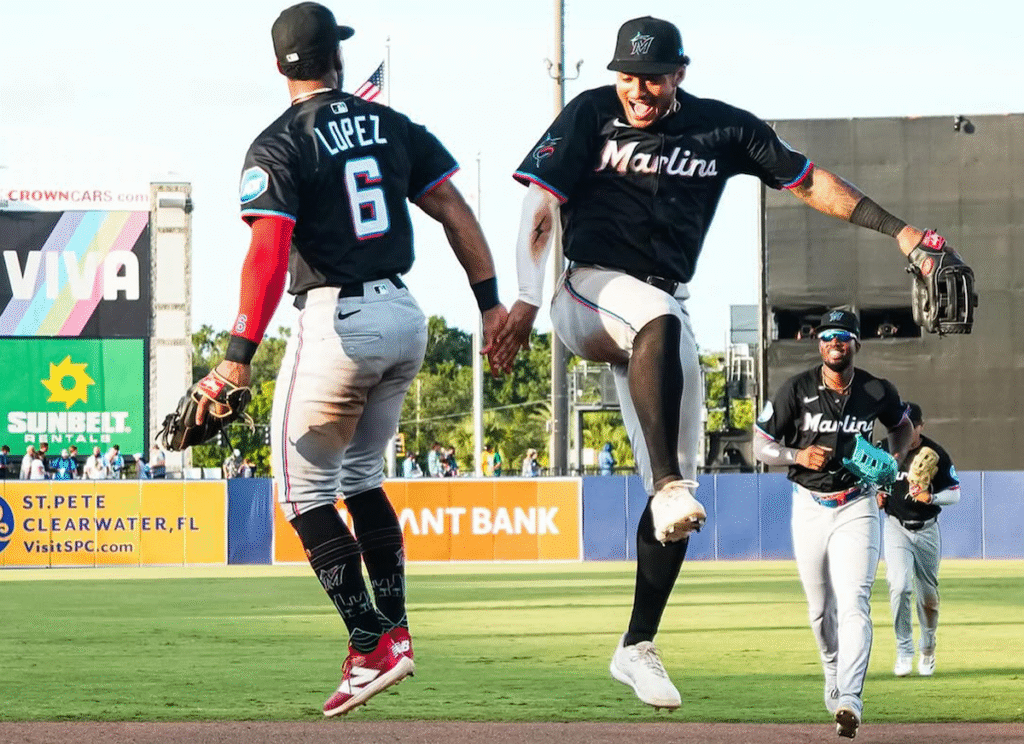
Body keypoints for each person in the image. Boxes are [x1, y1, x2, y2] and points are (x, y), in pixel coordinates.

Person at [490, 14, 952, 715]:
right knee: (658, 326)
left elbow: (808, 180)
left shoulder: (721, 128)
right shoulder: (591, 113)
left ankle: (637, 644)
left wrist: (900, 232)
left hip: (661, 309)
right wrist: (523, 299)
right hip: (589, 290)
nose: (637, 90)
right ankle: (668, 483)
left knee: (677, 507)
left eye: (651, 75)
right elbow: (539, 200)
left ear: (679, 72)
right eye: (626, 75)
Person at [191, 1, 508, 717]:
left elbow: (269, 254)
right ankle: (394, 633)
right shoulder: (392, 125)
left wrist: (238, 356)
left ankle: (369, 643)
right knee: (362, 478)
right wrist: (489, 305)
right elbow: (455, 211)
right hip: (404, 314)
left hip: (337, 319)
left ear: (280, 67)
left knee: (303, 495)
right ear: (336, 57)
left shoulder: (277, 142)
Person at [753, 309, 914, 739]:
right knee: (820, 610)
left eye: (842, 336)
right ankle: (831, 669)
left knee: (855, 602)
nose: (834, 342)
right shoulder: (797, 389)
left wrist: (894, 462)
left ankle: (850, 698)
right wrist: (795, 456)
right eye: (827, 336)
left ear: (855, 343)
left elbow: (903, 428)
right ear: (819, 344)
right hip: (809, 504)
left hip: (857, 503)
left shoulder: (877, 390)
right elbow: (761, 444)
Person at [880, 402, 960, 679]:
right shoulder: (883, 448)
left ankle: (927, 647)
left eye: (909, 426)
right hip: (896, 527)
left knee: (928, 596)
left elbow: (955, 493)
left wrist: (933, 497)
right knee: (899, 586)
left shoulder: (936, 453)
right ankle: (904, 650)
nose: (903, 430)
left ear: (920, 426)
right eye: (898, 426)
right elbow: (869, 483)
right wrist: (875, 495)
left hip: (926, 529)